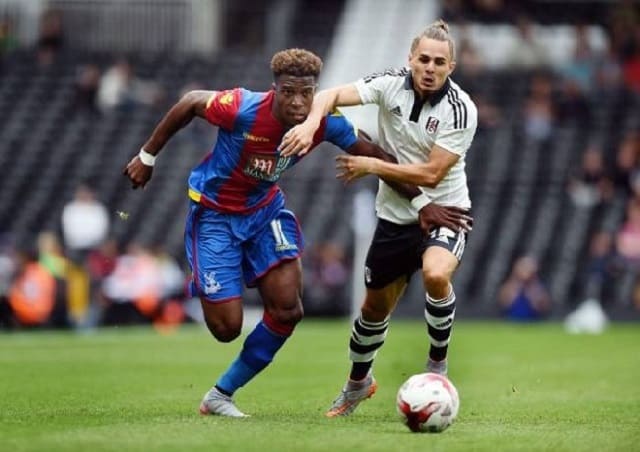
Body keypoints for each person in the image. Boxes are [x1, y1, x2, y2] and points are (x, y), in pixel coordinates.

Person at [123, 48, 472, 418]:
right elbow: (191, 101)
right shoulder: (241, 108)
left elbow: (374, 153)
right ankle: (221, 273)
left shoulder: (320, 122)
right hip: (215, 216)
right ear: (275, 88)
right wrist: (147, 156)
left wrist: (422, 204)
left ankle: (219, 396)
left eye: (306, 93)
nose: (298, 101)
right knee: (227, 329)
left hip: (264, 212)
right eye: (289, 92)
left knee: (288, 311)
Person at [280, 20, 477, 417]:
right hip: (393, 217)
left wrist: (371, 164)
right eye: (423, 59)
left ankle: (437, 363)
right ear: (410, 59)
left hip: (447, 212)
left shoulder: (461, 109)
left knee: (437, 274)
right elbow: (331, 93)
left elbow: (431, 174)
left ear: (451, 67)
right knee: (372, 312)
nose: (429, 67)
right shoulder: (389, 84)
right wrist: (308, 123)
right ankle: (357, 384)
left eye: (439, 62)